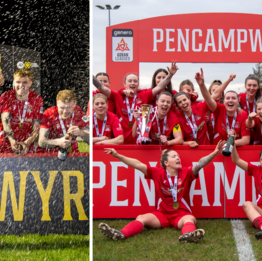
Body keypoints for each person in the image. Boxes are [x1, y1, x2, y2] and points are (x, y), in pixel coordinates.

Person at [98, 140, 226, 243]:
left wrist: (215, 152)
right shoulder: (157, 173)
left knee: (190, 219)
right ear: (166, 163)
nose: (178, 158)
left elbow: (200, 164)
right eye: (174, 156)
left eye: (178, 156)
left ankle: (188, 236)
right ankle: (121, 234)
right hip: (162, 215)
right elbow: (137, 164)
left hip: (180, 214)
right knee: (141, 218)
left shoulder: (186, 172)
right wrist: (118, 155)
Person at [93, 62, 178, 144]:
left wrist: (170, 75)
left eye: (135, 81)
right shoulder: (117, 95)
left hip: (140, 142)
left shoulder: (145, 95)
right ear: (124, 83)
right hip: (121, 141)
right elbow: (102, 88)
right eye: (130, 81)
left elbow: (159, 86)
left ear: (138, 84)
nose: (132, 83)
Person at [0, 69, 43, 154]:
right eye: (18, 82)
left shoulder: (36, 99)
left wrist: (26, 143)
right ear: (13, 82)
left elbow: (36, 127)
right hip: (5, 143)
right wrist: (12, 140)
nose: (21, 85)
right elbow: (6, 122)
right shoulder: (6, 96)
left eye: (24, 82)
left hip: (27, 144)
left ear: (30, 83)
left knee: (28, 167)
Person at [175, 69, 215, 147]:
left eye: (184, 99)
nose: (183, 102)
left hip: (205, 148)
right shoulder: (178, 118)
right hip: (190, 151)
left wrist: (201, 85)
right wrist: (187, 143)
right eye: (180, 102)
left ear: (189, 98)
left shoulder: (199, 106)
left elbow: (212, 97)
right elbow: (180, 141)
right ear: (177, 105)